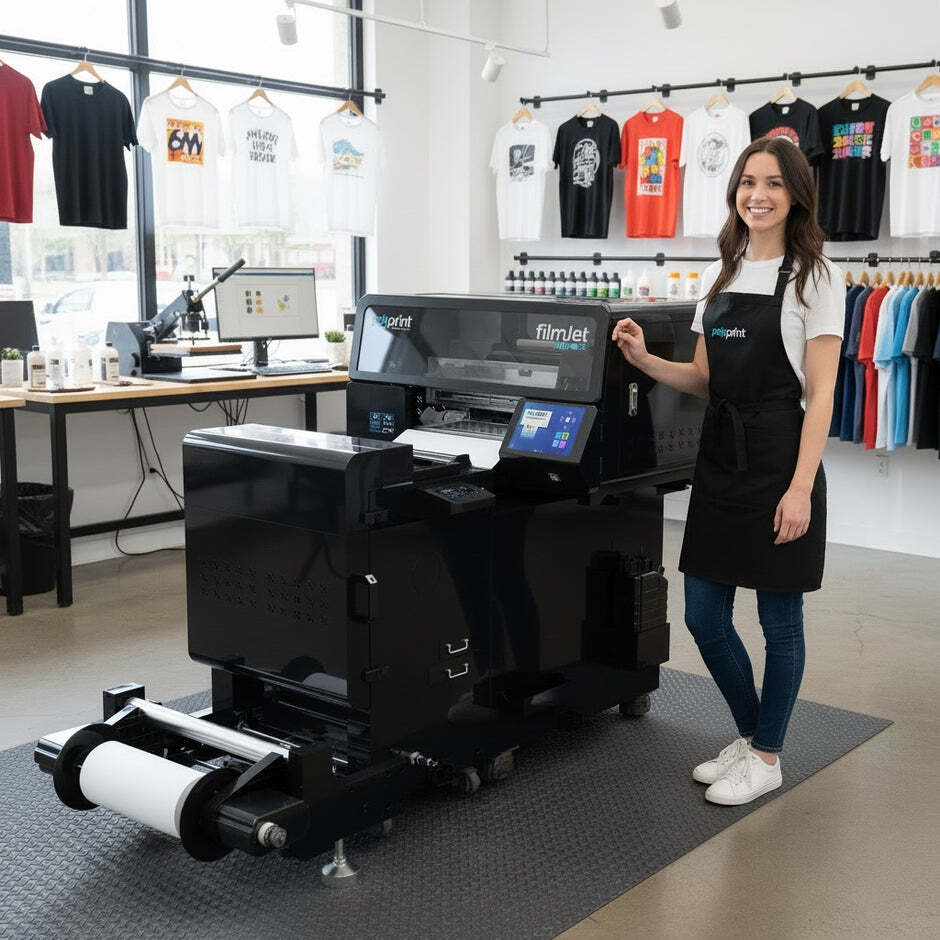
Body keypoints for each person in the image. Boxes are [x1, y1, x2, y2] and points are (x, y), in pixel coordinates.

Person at [611, 136, 844, 806]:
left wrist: (800, 489)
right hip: (720, 456)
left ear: (796, 195)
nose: (757, 195)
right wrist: (645, 360)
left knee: (779, 620)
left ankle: (767, 755)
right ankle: (751, 736)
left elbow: (822, 393)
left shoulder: (815, 277)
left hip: (779, 458)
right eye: (747, 182)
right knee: (704, 615)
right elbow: (704, 379)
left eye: (773, 183)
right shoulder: (723, 271)